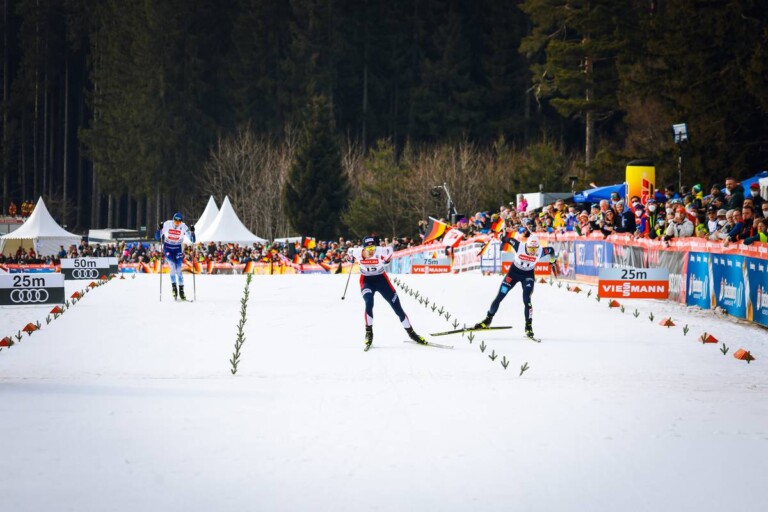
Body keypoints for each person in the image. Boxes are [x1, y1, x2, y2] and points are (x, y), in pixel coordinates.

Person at [347, 235, 426, 350]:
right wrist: (350, 258)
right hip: (367, 280)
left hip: (381, 280)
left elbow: (390, 251)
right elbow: (349, 253)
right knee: (369, 302)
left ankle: (411, 333)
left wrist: (386, 259)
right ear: (363, 248)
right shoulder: (357, 252)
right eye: (368, 249)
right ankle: (369, 333)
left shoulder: (381, 250)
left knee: (397, 307)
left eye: (373, 248)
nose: (371, 251)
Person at [472, 232, 556, 340]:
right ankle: (488, 319)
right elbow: (508, 239)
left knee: (527, 299)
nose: (533, 252)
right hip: (513, 274)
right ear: (527, 246)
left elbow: (552, 251)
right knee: (500, 296)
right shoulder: (519, 246)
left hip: (528, 276)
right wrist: (502, 237)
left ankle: (528, 326)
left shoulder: (541, 251)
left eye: (535, 250)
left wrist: (552, 261)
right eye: (531, 249)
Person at [156, 212, 196, 300]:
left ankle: (181, 291)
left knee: (179, 270)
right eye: (175, 221)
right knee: (172, 266)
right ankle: (174, 288)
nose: (177, 223)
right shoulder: (167, 224)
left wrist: (192, 232)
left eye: (179, 221)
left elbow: (193, 240)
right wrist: (159, 229)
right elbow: (157, 237)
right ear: (173, 220)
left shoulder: (184, 226)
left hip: (177, 248)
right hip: (168, 248)